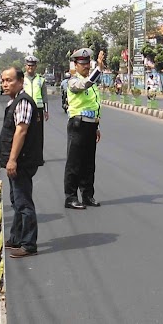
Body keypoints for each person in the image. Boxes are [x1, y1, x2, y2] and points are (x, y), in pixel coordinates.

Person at [0, 67, 43, 258]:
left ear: (20, 81)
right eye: (3, 81)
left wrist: (12, 160)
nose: (5, 84)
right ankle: (16, 238)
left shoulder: (23, 102)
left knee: (23, 202)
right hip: (18, 160)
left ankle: (28, 244)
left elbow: (21, 131)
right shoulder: (14, 102)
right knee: (16, 200)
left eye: (9, 80)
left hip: (22, 161)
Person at [64, 48, 105, 210]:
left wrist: (97, 126)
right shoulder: (73, 81)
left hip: (91, 125)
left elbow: (94, 106)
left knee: (89, 163)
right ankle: (71, 197)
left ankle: (87, 195)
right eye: (82, 64)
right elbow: (85, 84)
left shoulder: (92, 83)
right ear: (75, 65)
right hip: (78, 125)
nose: (86, 66)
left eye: (88, 63)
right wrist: (99, 69)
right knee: (74, 163)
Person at [23, 55, 48, 160]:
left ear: (35, 67)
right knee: (25, 132)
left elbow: (45, 96)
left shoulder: (41, 80)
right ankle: (26, 155)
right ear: (25, 66)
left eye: (32, 66)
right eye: (28, 66)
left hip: (38, 109)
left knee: (38, 134)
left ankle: (38, 157)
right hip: (25, 107)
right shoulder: (21, 79)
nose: (30, 68)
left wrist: (46, 111)